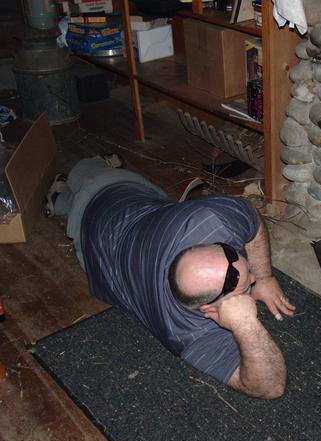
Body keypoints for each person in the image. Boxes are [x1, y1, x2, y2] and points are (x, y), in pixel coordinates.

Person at [45, 155, 295, 399]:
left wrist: (264, 279)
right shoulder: (185, 332)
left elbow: (251, 219)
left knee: (79, 186)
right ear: (209, 311)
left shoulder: (214, 220)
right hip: (102, 220)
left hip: (113, 211)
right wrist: (246, 325)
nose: (251, 277)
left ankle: (63, 198)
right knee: (80, 168)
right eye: (245, 286)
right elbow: (270, 387)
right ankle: (68, 192)